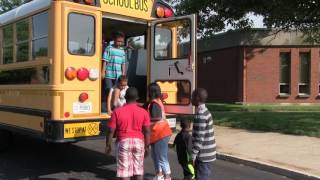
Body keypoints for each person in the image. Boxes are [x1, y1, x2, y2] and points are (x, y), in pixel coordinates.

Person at [105, 87, 151, 180]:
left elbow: (110, 131)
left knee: (124, 172)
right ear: (137, 98)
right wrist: (147, 146)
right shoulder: (144, 112)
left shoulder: (117, 111)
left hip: (123, 142)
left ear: (125, 97)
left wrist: (108, 144)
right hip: (139, 142)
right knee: (138, 170)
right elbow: (147, 131)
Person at [147, 83, 172, 180]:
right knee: (155, 156)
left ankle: (167, 176)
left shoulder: (154, 104)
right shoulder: (157, 101)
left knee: (162, 157)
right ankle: (159, 175)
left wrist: (146, 121)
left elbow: (157, 117)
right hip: (158, 134)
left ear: (151, 92)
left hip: (161, 133)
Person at [191, 88, 216, 180]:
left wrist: (193, 155)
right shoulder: (206, 111)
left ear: (197, 98)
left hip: (203, 155)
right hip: (208, 152)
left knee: (202, 177)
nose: (191, 99)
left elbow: (199, 138)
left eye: (192, 96)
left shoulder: (200, 115)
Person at [102, 31, 126, 112]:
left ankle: (114, 107)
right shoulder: (109, 48)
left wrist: (123, 74)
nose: (120, 43)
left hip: (118, 75)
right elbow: (105, 60)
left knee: (117, 91)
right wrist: (103, 71)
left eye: (121, 42)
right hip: (109, 74)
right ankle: (106, 107)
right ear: (114, 40)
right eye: (118, 41)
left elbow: (123, 63)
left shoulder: (122, 51)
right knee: (108, 90)